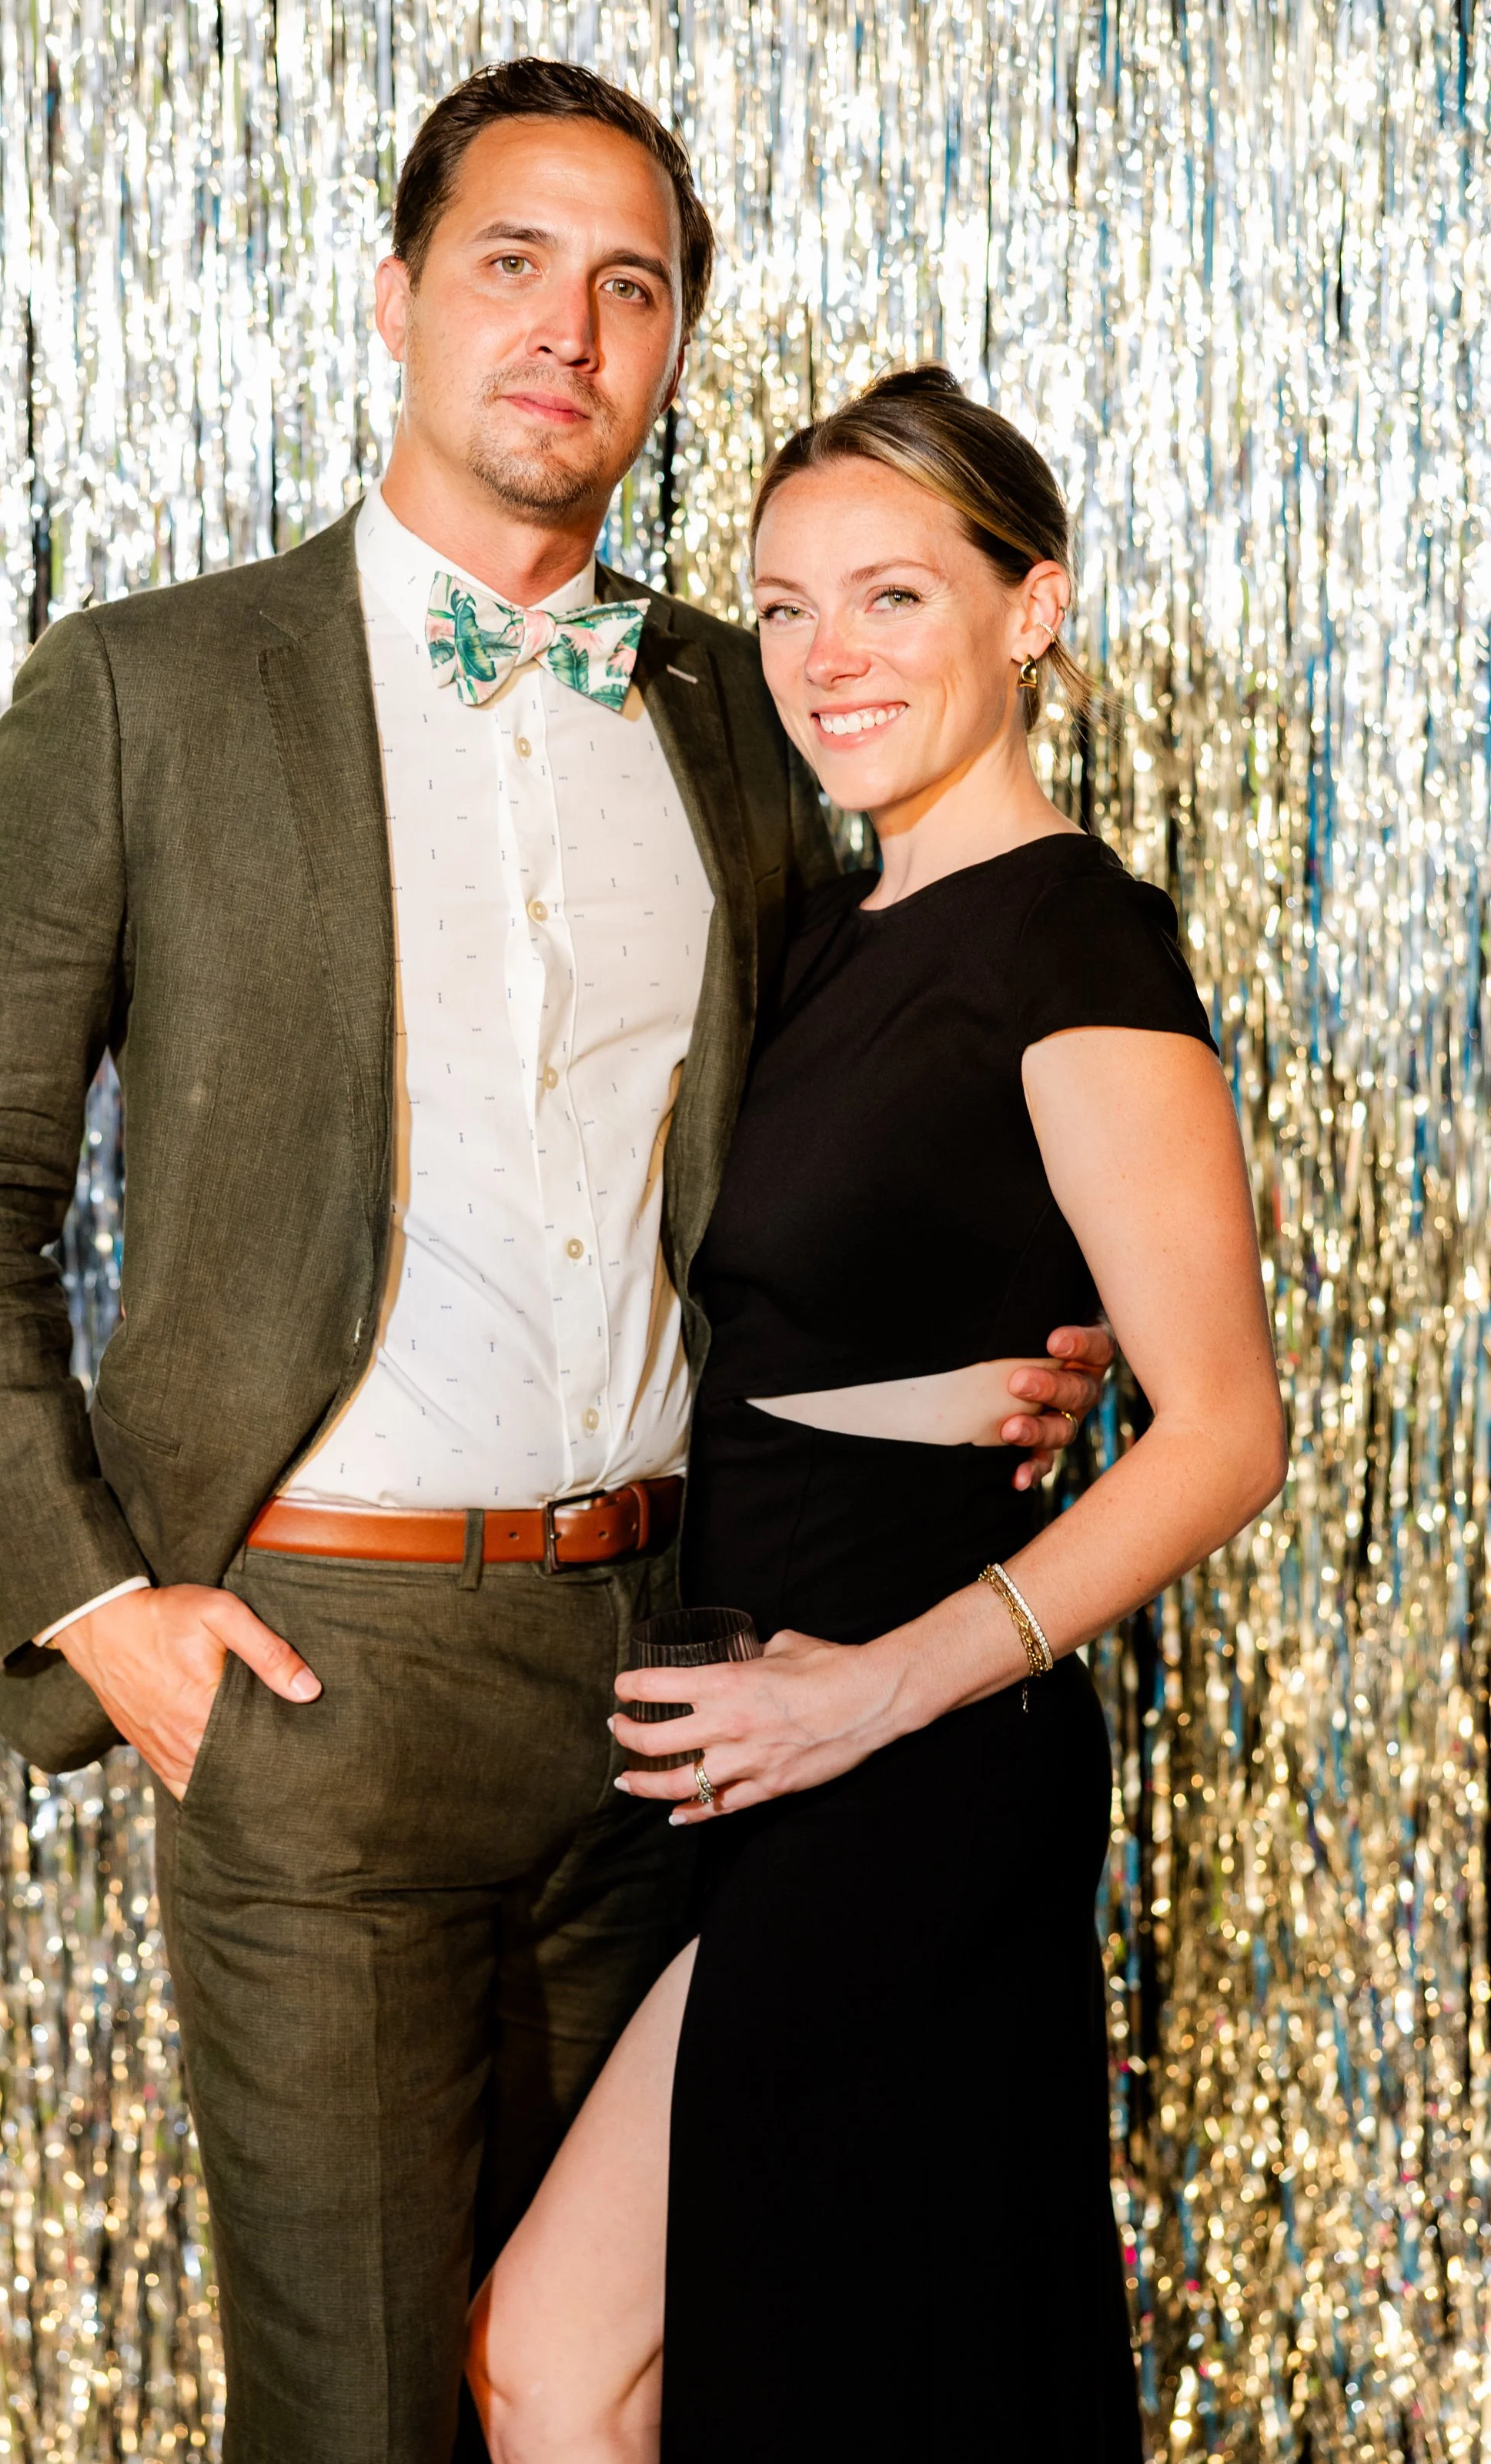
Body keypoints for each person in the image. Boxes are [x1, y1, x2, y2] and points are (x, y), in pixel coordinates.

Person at [0, 65, 1111, 2464]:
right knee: (364, 2416)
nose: (569, 327)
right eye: (513, 265)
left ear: (669, 355)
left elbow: (873, 1100)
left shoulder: (744, 707)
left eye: (630, 287)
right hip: (316, 1683)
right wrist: (99, 1607)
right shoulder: (148, 688)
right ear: (398, 298)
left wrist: (1000, 1348)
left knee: (637, 2378)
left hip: (677, 1667)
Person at [466, 367, 1289, 2460]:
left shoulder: (1078, 943)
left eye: (894, 595)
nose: (827, 656)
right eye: (785, 606)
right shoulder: (828, 934)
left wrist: (875, 1693)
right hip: (769, 1756)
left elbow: (1226, 1433)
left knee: (648, 2366)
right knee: (620, 2367)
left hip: (910, 1759)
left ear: (1035, 609)